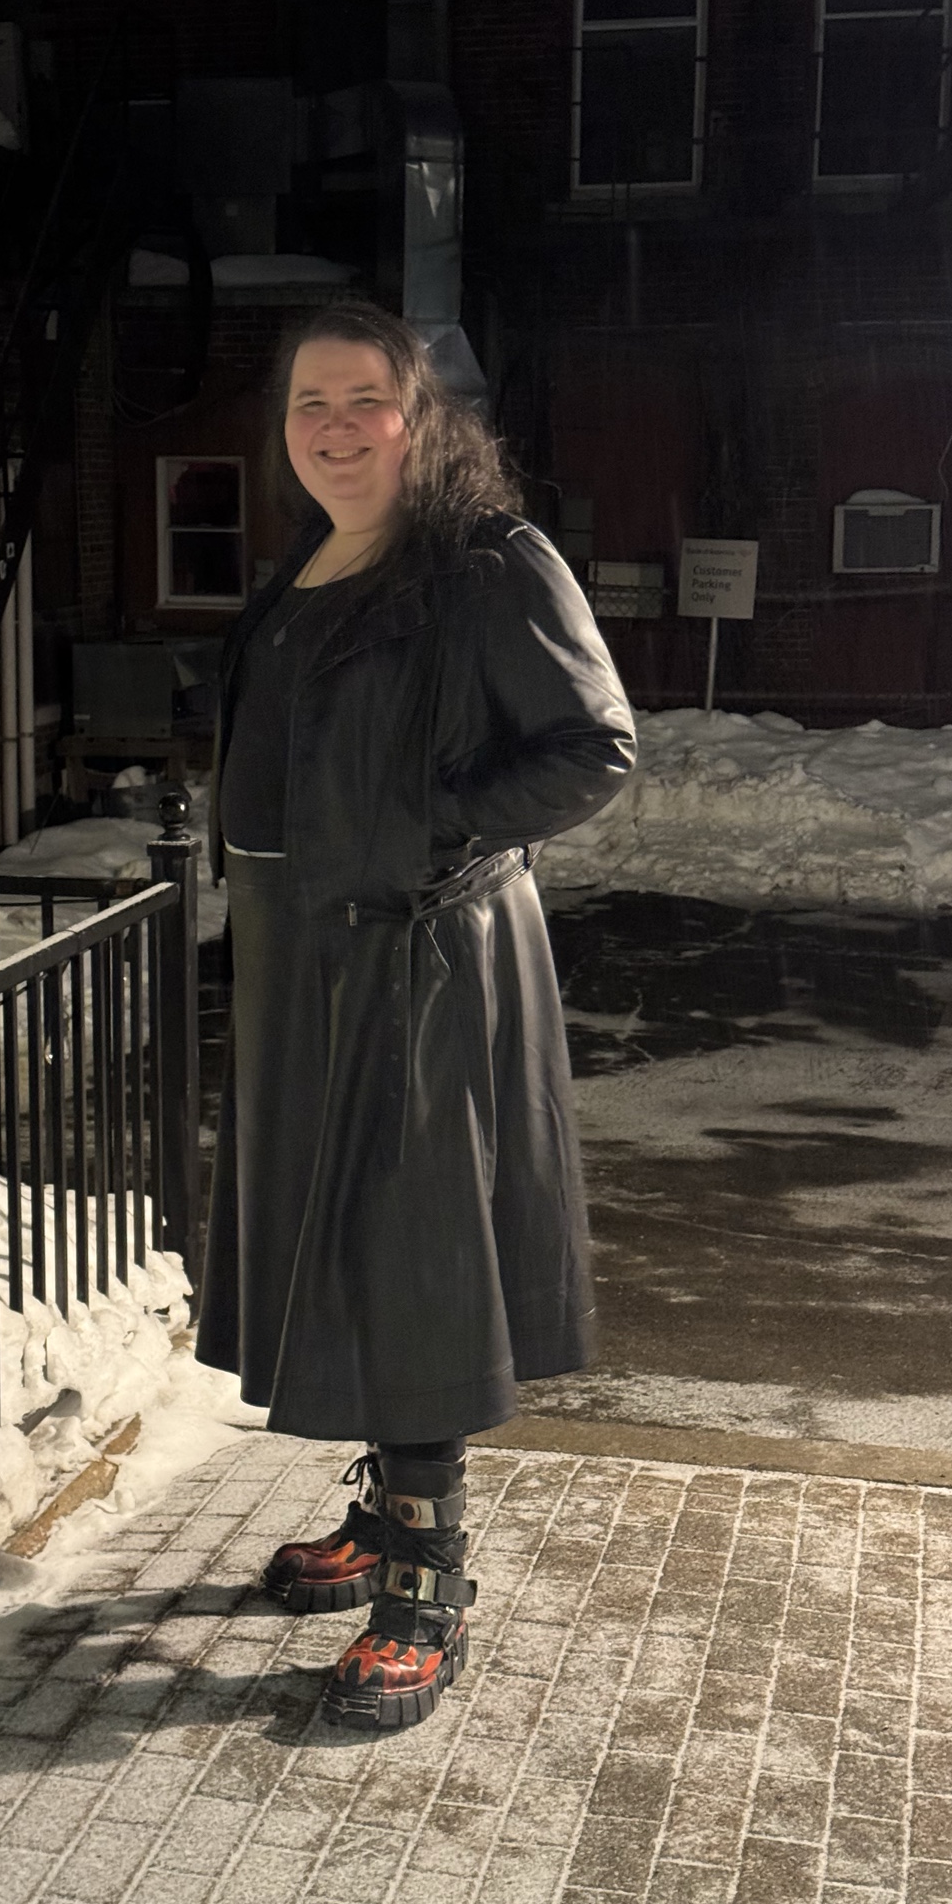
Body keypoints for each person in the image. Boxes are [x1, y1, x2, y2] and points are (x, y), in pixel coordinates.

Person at [196, 299, 636, 1732]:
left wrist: (433, 831)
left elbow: (591, 747)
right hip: (305, 961)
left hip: (424, 958)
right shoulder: (308, 565)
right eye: (309, 404)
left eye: (365, 402)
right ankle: (388, 1512)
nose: (335, 430)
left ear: (424, 419)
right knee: (342, 1240)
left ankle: (425, 1587)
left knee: (416, 1251)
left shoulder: (486, 564)